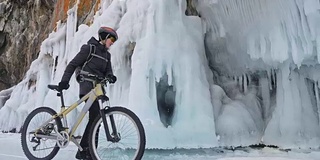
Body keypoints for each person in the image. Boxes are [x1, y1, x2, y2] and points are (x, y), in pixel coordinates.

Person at [58, 26, 118, 159]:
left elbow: (108, 70)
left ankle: (87, 151)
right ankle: (86, 150)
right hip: (87, 85)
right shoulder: (89, 48)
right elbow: (73, 65)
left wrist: (110, 76)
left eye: (114, 40)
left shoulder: (107, 55)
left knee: (97, 118)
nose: (112, 42)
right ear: (104, 37)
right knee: (96, 116)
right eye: (112, 39)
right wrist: (64, 81)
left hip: (98, 88)